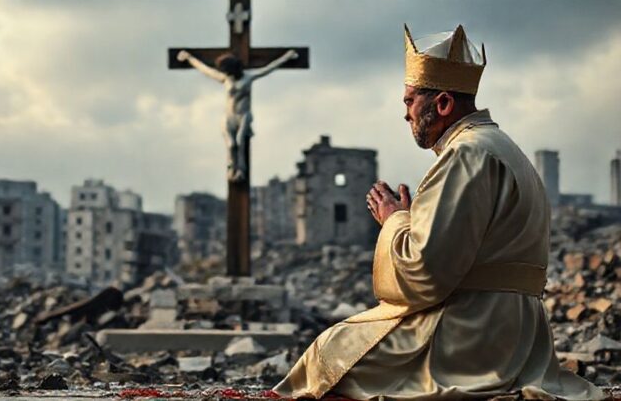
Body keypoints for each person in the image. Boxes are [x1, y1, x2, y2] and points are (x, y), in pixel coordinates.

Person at [273, 25, 605, 400]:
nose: (406, 114)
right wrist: (418, 221)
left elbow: (425, 272)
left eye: (409, 101)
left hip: (473, 333)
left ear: (443, 104)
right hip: (521, 332)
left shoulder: (464, 154)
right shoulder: (502, 147)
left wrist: (394, 220)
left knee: (329, 355)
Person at [177, 49, 298, 182]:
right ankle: (231, 169)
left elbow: (269, 68)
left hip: (243, 115)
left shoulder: (249, 77)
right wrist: (189, 58)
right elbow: (205, 70)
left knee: (240, 140)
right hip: (229, 116)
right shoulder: (225, 79)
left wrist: (287, 57)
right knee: (231, 145)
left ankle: (241, 169)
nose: (227, 74)